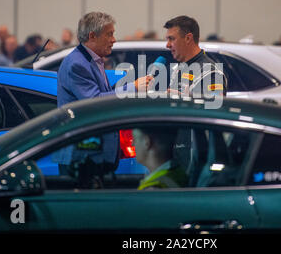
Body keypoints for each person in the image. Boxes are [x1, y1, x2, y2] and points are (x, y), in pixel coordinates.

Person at [53, 12, 152, 178]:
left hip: (93, 155)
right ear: (92, 36)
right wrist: (133, 88)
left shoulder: (92, 60)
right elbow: (95, 101)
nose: (114, 39)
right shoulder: (77, 64)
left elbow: (104, 94)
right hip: (82, 157)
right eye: (109, 34)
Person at [164, 15, 227, 97]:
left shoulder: (211, 73)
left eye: (172, 39)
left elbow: (215, 106)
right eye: (167, 39)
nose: (167, 45)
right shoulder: (177, 68)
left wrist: (186, 100)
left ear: (188, 38)